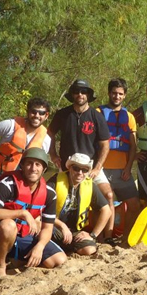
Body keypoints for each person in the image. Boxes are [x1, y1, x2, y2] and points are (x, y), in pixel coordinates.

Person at [47, 79, 117, 244]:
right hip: (67, 167)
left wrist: (98, 167)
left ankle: (107, 237)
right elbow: (49, 134)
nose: (80, 95)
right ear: (72, 95)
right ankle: (59, 232)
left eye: (84, 92)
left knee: (108, 195)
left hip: (90, 167)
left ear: (88, 95)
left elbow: (105, 144)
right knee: (60, 199)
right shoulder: (62, 114)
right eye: (77, 91)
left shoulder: (96, 116)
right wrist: (53, 155)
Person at [0, 148, 66, 278]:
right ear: (22, 166)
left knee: (58, 260)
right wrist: (22, 213)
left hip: (24, 234)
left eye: (38, 164)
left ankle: (17, 259)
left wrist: (40, 246)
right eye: (29, 163)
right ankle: (0, 266)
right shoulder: (8, 184)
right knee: (8, 226)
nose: (33, 168)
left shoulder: (49, 193)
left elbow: (48, 228)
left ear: (44, 169)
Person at [97, 78, 140, 241]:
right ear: (109, 93)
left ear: (125, 96)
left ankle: (126, 236)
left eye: (120, 94)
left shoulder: (129, 117)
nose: (117, 96)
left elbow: (133, 146)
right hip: (101, 169)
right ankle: (104, 238)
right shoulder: (98, 113)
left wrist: (129, 168)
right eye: (114, 93)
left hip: (122, 170)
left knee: (134, 204)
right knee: (104, 202)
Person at [47, 153, 111, 256]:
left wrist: (93, 235)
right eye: (76, 168)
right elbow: (40, 209)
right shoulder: (55, 181)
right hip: (53, 227)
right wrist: (62, 226)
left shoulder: (90, 185)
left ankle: (66, 248)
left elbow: (106, 211)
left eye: (85, 170)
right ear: (69, 167)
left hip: (75, 232)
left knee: (89, 250)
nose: (80, 173)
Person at [0, 97, 51, 182]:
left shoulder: (46, 140)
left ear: (46, 115)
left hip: (21, 182)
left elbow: (39, 166)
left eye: (41, 113)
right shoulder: (10, 125)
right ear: (28, 112)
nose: (37, 115)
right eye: (33, 111)